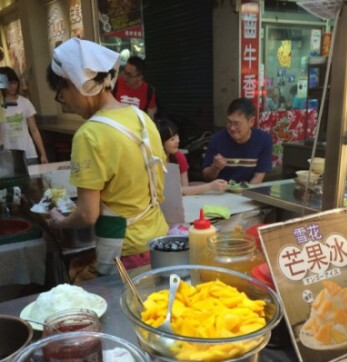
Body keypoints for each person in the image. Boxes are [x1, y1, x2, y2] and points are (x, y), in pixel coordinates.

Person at [46, 38, 169, 275]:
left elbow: (87, 214)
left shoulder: (89, 134)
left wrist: (61, 222)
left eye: (62, 95)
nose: (67, 104)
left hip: (124, 250)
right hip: (159, 242)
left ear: (72, 83)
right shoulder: (143, 119)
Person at [202, 97, 273, 185]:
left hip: (249, 191)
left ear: (251, 121)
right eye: (229, 122)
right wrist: (215, 167)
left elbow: (258, 178)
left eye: (236, 123)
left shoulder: (264, 140)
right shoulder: (217, 139)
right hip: (221, 192)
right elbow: (207, 177)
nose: (232, 128)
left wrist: (244, 194)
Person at [157, 118, 228, 195]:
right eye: (172, 139)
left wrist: (211, 186)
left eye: (177, 136)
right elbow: (170, 190)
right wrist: (209, 186)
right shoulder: (154, 161)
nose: (177, 141)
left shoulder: (179, 157)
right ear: (160, 142)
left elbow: (185, 187)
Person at [0, 66, 48, 164]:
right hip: (7, 156)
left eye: (15, 83)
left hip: (28, 153)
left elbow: (34, 130)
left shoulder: (25, 102)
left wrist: (43, 153)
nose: (13, 86)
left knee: (32, 179)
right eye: (9, 83)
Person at [113, 56, 157, 120]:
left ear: (140, 77)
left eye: (129, 75)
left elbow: (150, 116)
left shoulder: (148, 91)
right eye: (124, 72)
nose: (125, 77)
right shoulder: (115, 84)